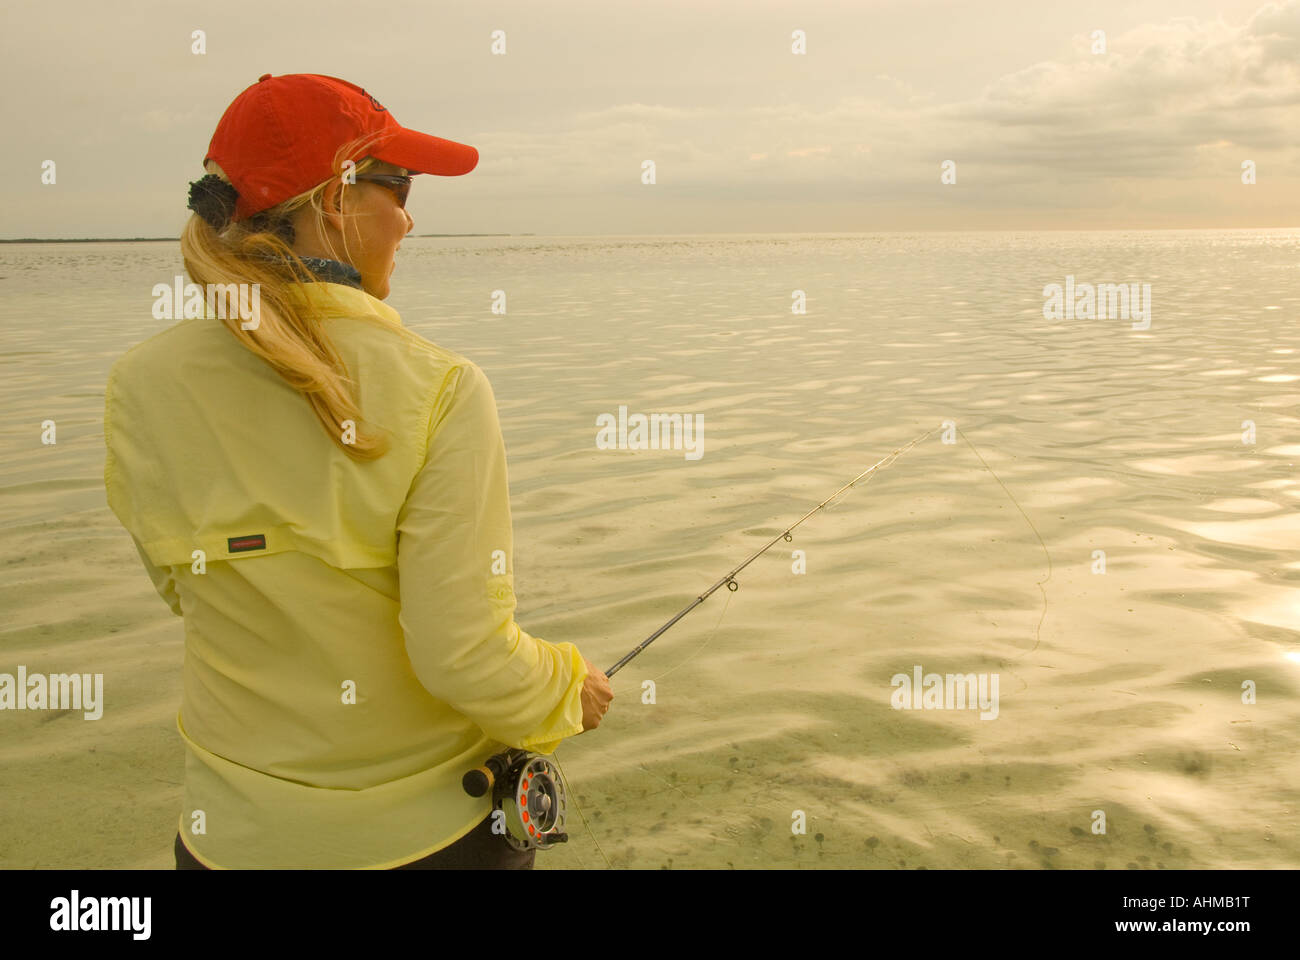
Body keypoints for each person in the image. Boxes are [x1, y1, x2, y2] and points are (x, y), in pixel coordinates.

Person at [103, 73, 613, 869]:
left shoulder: (138, 385)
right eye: (398, 186)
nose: (408, 219)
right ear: (332, 202)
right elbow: (464, 659)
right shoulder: (442, 388)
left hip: (219, 845)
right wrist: (563, 686)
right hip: (424, 847)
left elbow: (187, 592)